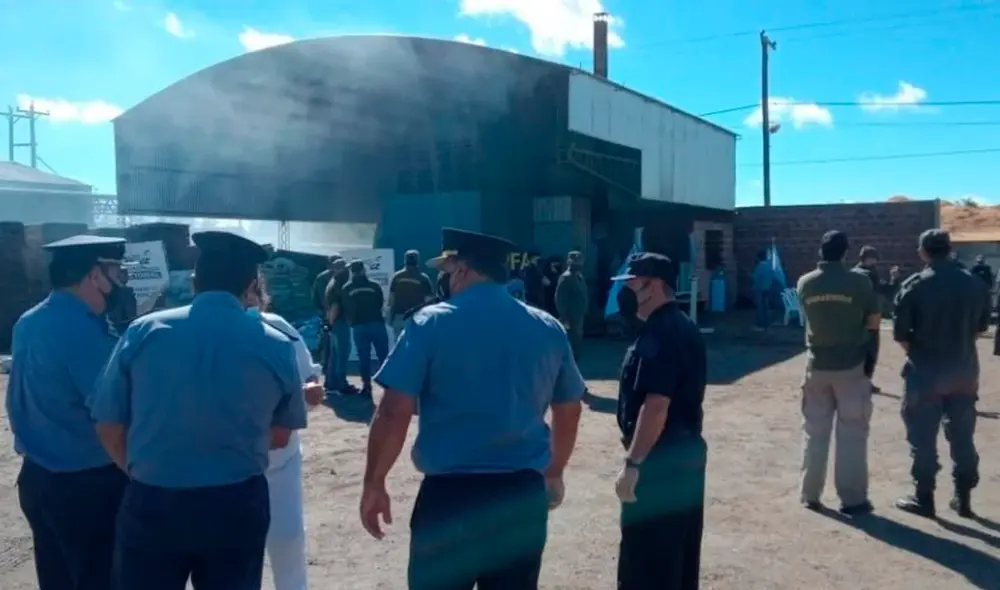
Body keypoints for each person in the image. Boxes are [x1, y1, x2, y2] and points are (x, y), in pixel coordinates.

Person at [360, 227, 586, 590]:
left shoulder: (430, 323)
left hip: (451, 500)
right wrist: (554, 471)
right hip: (520, 497)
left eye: (448, 271)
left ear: (462, 269)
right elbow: (569, 408)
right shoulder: (547, 328)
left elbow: (393, 412)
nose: (446, 280)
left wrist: (374, 482)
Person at [90, 230, 312, 590]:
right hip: (236, 503)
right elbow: (280, 435)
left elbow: (108, 423)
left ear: (195, 281)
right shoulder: (276, 343)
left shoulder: (143, 331)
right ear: (251, 285)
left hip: (155, 498)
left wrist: (137, 470)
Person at [5, 235, 134, 590]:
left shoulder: (30, 320)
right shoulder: (82, 331)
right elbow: (113, 409)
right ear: (95, 276)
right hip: (86, 486)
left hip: (38, 478)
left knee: (57, 578)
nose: (121, 283)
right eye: (116, 273)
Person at [611, 253, 708, 590]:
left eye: (632, 284)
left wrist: (633, 463)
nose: (626, 292)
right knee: (677, 557)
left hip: (659, 461)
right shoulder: (683, 325)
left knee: (647, 562)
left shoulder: (659, 334)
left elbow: (655, 405)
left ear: (651, 286)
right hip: (684, 455)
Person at [893, 229, 989, 518]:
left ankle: (924, 497)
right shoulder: (974, 284)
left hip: (926, 372)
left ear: (923, 252)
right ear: (949, 249)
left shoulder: (915, 286)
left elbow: (901, 335)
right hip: (963, 371)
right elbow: (980, 329)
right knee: (963, 436)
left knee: (923, 437)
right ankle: (963, 497)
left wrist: (919, 354)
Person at [247, 280, 325, 590]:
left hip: (279, 460)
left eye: (252, 293)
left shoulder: (279, 328)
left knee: (287, 539)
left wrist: (310, 392)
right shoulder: (204, 334)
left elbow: (310, 378)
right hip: (226, 462)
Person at [795, 230, 879, 515]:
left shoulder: (805, 282)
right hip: (851, 365)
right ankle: (852, 499)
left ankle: (810, 494)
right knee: (852, 432)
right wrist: (869, 362)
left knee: (814, 432)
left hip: (816, 365)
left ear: (821, 250)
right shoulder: (860, 282)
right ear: (846, 252)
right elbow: (873, 323)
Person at [339, 259, 390, 397]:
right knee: (383, 356)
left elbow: (346, 307)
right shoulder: (374, 285)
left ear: (352, 271)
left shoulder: (347, 288)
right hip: (376, 323)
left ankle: (367, 387)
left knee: (363, 357)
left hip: (359, 326)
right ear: (364, 270)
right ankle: (388, 386)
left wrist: (353, 319)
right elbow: (380, 302)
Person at [324, 257, 359, 396]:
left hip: (335, 322)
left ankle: (331, 384)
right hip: (339, 322)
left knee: (335, 356)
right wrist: (332, 322)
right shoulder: (338, 284)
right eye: (345, 267)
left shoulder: (332, 282)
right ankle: (341, 385)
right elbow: (335, 305)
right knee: (342, 355)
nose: (347, 270)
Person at [852, 245, 884, 393]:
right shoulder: (866, 274)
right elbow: (880, 290)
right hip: (869, 317)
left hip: (859, 317)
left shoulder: (856, 273)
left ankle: (861, 382)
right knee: (870, 352)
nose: (874, 262)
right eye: (873, 258)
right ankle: (863, 382)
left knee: (863, 353)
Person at [388, 250, 434, 341]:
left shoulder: (397, 277)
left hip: (399, 316)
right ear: (418, 261)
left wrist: (390, 316)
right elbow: (429, 300)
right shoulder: (423, 278)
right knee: (416, 344)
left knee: (399, 345)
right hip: (418, 317)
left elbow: (391, 299)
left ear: (405, 261)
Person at [555, 250, 589, 358]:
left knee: (577, 338)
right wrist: (564, 317)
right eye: (576, 262)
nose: (579, 264)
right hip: (570, 316)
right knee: (571, 339)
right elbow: (559, 299)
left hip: (579, 314)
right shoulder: (566, 277)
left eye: (579, 262)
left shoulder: (579, 276)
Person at [752, 250, 775, 331]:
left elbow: (755, 276)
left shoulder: (760, 266)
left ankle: (760, 325)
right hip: (768, 287)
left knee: (760, 307)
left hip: (760, 288)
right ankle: (767, 324)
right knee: (766, 306)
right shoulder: (770, 266)